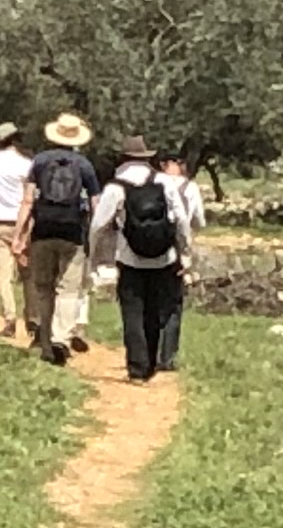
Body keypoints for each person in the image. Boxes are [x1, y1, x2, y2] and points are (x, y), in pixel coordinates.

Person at [92, 136, 196, 384]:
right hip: (164, 258)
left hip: (130, 259)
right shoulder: (164, 182)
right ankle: (150, 363)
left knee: (132, 312)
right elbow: (181, 219)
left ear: (123, 158)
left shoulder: (116, 187)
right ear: (148, 158)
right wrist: (186, 252)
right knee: (155, 311)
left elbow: (98, 225)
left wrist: (93, 256)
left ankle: (137, 368)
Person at [14, 112, 101, 364]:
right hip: (72, 232)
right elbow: (96, 202)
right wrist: (95, 235)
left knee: (44, 287)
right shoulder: (83, 164)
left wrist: (19, 234)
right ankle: (61, 338)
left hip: (43, 229)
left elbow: (28, 200)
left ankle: (45, 342)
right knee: (68, 288)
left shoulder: (40, 161)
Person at [0, 122, 32, 339]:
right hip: (23, 222)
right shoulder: (27, 164)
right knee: (29, 274)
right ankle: (33, 320)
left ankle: (10, 319)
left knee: (4, 275)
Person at [155, 154, 205, 372]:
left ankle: (150, 351)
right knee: (174, 304)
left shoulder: (152, 183)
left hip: (151, 248)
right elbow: (199, 221)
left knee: (153, 300)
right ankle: (167, 357)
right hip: (177, 251)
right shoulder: (190, 188)